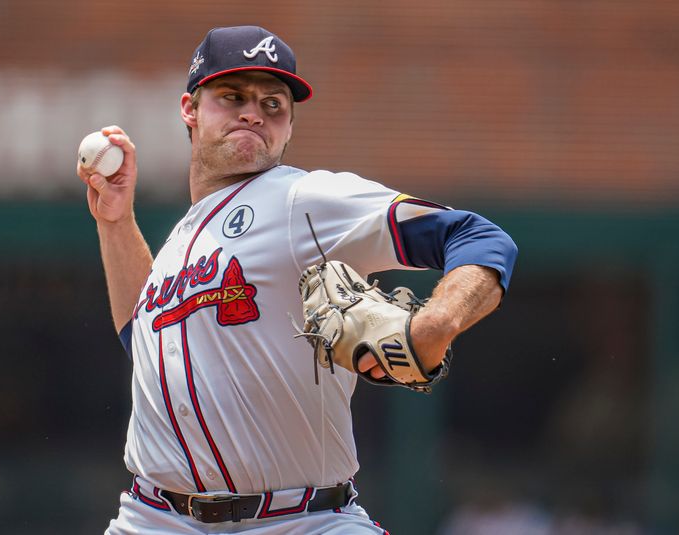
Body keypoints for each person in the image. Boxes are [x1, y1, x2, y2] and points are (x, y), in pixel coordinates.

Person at [77, 25, 517, 534]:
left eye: (273, 104)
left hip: (302, 520)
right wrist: (115, 222)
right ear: (189, 109)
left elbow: (480, 237)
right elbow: (146, 344)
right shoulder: (182, 237)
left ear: (288, 127)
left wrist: (436, 323)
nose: (253, 113)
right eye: (232, 96)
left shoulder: (302, 200)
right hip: (154, 519)